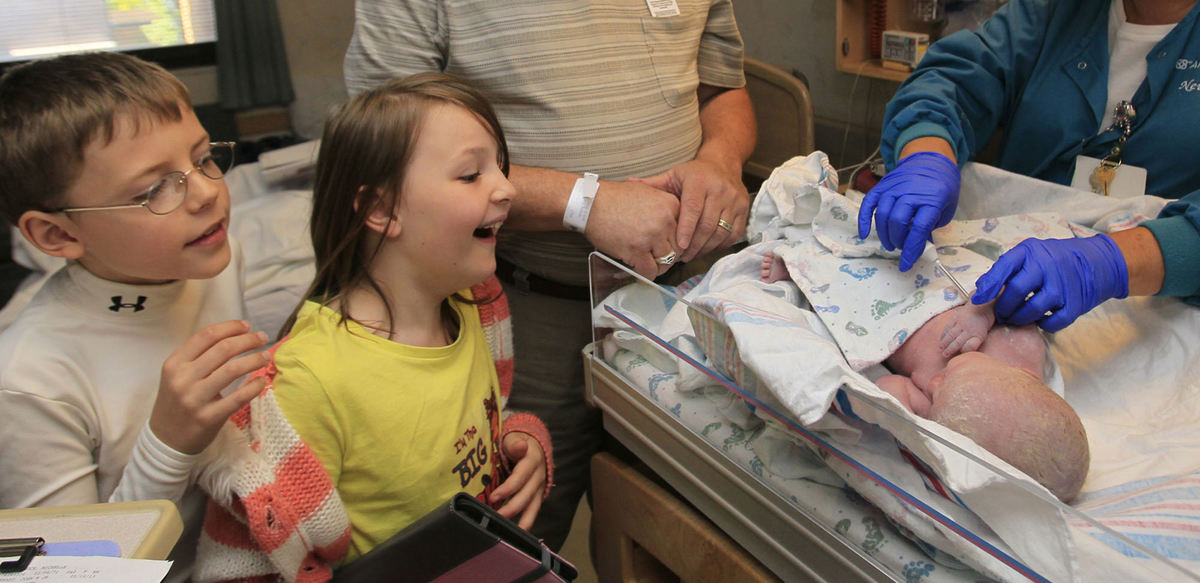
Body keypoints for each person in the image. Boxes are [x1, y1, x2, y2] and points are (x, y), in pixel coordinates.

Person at [343, 0, 756, 549]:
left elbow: (722, 87)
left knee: (675, 535)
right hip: (517, 308)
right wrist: (583, 202)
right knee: (511, 540)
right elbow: (383, 149)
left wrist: (721, 161)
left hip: (680, 302)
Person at [197, 73, 554, 581]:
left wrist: (523, 440)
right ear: (383, 210)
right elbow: (244, 560)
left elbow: (478, 424)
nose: (507, 189)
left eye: (501, 166)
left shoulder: (477, 307)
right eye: (472, 174)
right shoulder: (307, 383)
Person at [0, 52, 269, 582]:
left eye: (204, 158)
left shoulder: (215, 258)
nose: (208, 192)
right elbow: (78, 576)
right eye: (153, 190)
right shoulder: (28, 382)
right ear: (59, 235)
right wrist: (168, 443)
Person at [857, 0, 1200, 332]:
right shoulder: (1053, 12)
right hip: (1001, 274)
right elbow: (951, 80)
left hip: (1153, 309)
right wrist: (926, 153)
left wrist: (1110, 264)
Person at [761, 252, 1090, 501]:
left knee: (843, 304)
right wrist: (981, 312)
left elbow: (887, 388)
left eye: (935, 396)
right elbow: (1006, 290)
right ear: (1023, 376)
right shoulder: (1023, 348)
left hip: (883, 320)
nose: (932, 383)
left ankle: (796, 272)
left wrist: (904, 404)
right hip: (932, 290)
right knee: (895, 254)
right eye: (946, 379)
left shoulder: (939, 410)